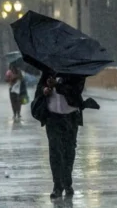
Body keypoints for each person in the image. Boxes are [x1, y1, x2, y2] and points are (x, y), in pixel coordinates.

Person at [34, 71, 99, 199]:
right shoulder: (48, 69)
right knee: (55, 151)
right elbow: (39, 90)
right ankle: (57, 186)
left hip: (71, 116)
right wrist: (45, 90)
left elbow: (76, 92)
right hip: (52, 117)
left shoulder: (76, 71)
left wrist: (57, 85)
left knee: (69, 151)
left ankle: (67, 183)